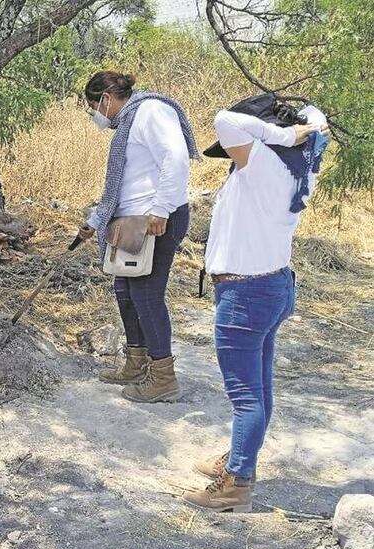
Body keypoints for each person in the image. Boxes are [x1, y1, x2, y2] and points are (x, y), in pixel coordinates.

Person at [184, 96, 329, 512]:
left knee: (246, 395)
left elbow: (223, 118)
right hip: (272, 285)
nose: (230, 154)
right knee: (259, 389)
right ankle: (237, 462)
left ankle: (237, 484)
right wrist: (301, 132)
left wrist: (285, 131)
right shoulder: (301, 169)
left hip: (245, 294)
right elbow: (316, 123)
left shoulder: (265, 163)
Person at [78, 71, 198, 403]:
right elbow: (128, 182)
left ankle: (163, 378)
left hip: (155, 219)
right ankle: (136, 361)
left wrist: (160, 209)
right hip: (130, 220)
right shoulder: (129, 122)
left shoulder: (151, 112)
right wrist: (95, 220)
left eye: (94, 107)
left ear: (105, 98)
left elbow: (174, 157)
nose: (96, 116)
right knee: (125, 291)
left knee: (146, 294)